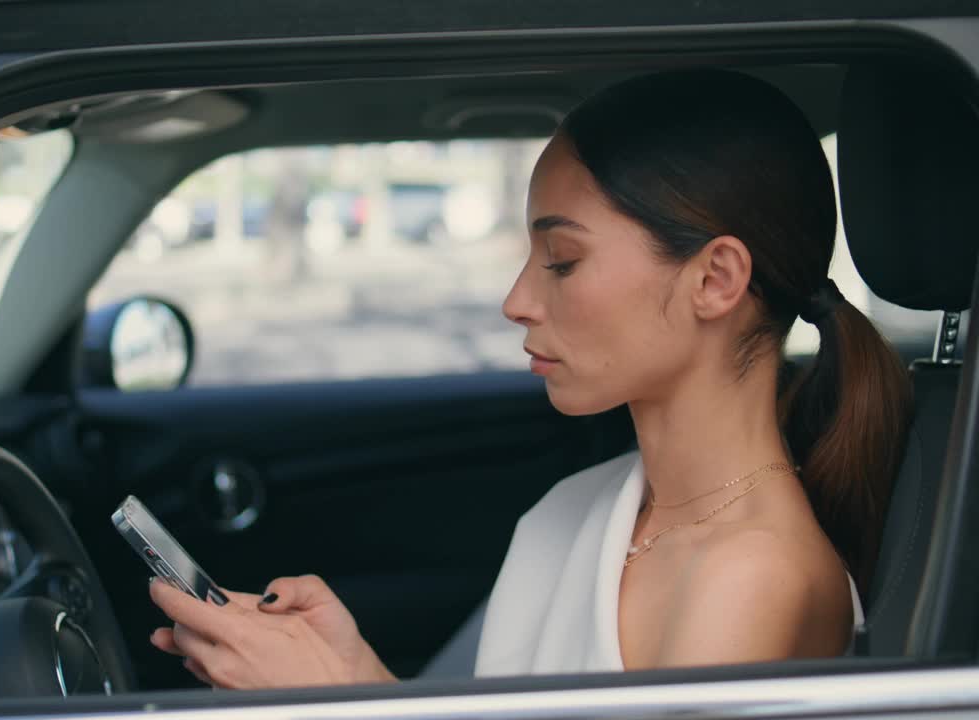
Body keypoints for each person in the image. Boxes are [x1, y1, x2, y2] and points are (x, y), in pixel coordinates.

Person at [145, 68, 912, 687]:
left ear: (716, 279)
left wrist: (322, 707)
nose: (517, 301)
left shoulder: (757, 579)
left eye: (563, 262)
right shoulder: (580, 507)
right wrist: (356, 682)